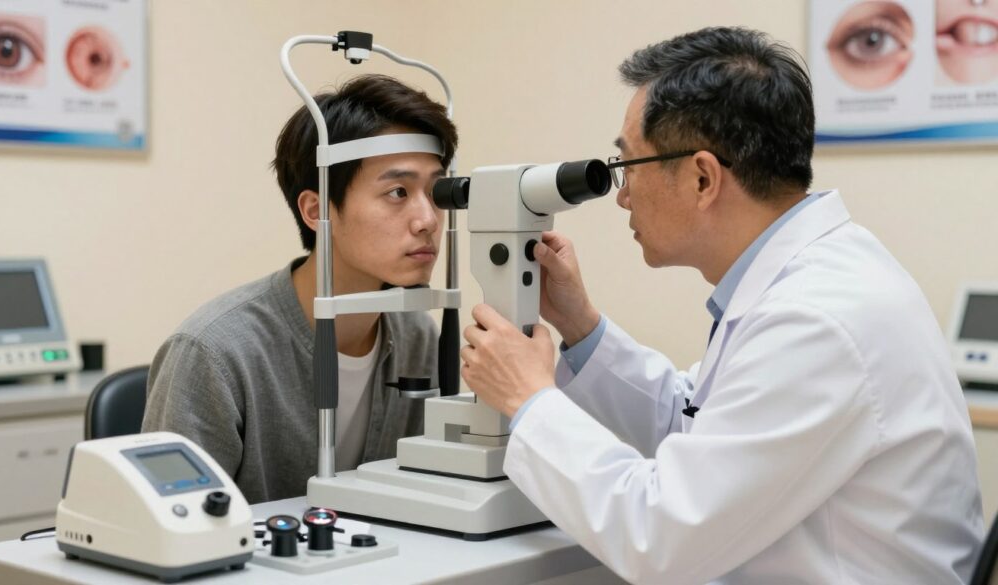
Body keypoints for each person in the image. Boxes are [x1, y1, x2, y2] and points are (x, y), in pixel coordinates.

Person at [460, 27, 983, 584]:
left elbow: (660, 537)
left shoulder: (817, 320)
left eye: (628, 166)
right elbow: (697, 425)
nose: (621, 194)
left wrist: (530, 400)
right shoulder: (815, 278)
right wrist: (580, 325)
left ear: (703, 177)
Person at [142, 74, 458, 503]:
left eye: (436, 190)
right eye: (398, 192)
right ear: (316, 210)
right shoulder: (215, 353)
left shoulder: (416, 335)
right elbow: (169, 526)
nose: (429, 219)